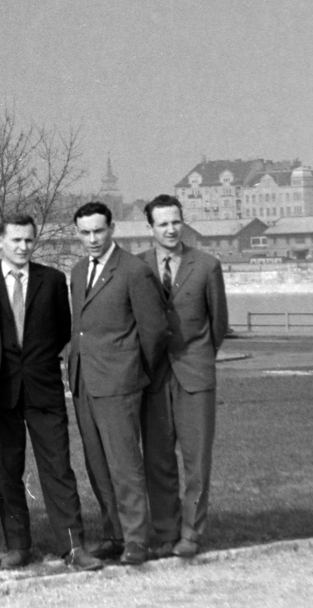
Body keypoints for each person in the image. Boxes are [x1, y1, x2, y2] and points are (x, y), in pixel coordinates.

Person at [0, 214, 104, 571]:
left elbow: (62, 330)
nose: (22, 247)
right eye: (15, 240)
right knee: (7, 471)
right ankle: (18, 545)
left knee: (58, 469)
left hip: (44, 389)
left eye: (29, 241)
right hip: (2, 392)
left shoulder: (51, 280)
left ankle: (73, 546)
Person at [66, 201, 169, 567]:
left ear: (112, 229)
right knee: (97, 464)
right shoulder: (78, 271)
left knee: (125, 465)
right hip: (84, 383)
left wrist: (131, 372)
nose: (92, 239)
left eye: (99, 231)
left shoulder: (134, 272)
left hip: (119, 384)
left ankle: (137, 540)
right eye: (85, 232)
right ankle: (114, 534)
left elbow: (154, 333)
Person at [139, 194, 229, 560]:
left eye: (175, 221)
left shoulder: (206, 265)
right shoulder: (137, 266)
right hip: (153, 378)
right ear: (151, 228)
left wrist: (199, 357)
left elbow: (219, 324)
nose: (171, 229)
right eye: (162, 223)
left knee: (196, 460)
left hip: (194, 375)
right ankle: (165, 532)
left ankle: (192, 533)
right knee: (158, 460)